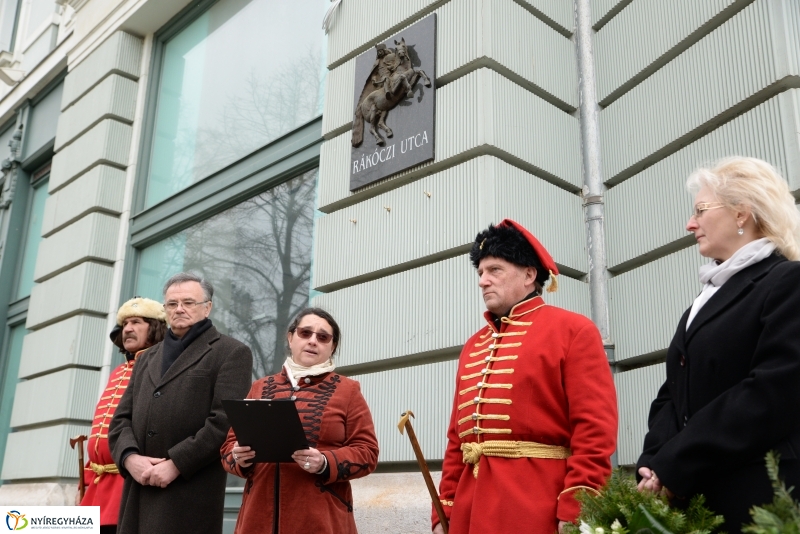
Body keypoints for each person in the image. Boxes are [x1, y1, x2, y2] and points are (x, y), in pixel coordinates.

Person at [637, 157, 800, 533]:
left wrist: (676, 462)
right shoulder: (703, 299)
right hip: (698, 493)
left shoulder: (786, 281)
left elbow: (772, 393)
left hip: (760, 498)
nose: (690, 224)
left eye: (700, 210)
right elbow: (672, 395)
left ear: (742, 213)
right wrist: (654, 460)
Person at [433, 219, 618, 534]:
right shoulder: (473, 346)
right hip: (470, 510)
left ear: (529, 274)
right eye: (480, 273)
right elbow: (458, 440)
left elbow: (594, 431)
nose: (483, 281)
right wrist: (445, 508)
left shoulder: (573, 330)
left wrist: (578, 508)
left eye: (495, 270)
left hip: (537, 507)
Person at [109, 273, 253, 534]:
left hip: (189, 494)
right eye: (172, 304)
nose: (180, 309)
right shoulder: (146, 358)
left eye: (188, 302)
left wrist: (176, 463)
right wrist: (130, 458)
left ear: (207, 307)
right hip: (137, 492)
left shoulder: (232, 352)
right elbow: (120, 420)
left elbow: (224, 422)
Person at [221, 308, 379, 534]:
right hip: (257, 519)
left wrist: (325, 461)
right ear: (290, 337)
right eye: (306, 333)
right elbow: (227, 449)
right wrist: (239, 457)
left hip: (320, 520)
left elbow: (368, 453)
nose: (313, 341)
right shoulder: (260, 387)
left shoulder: (348, 391)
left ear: (332, 347)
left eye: (323, 337)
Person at [78, 297, 167, 534]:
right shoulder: (119, 371)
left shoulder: (159, 367)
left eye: (137, 322)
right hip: (99, 483)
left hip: (127, 483)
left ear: (155, 328)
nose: (127, 329)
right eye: (125, 323)